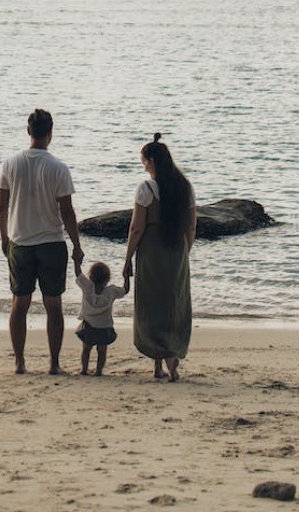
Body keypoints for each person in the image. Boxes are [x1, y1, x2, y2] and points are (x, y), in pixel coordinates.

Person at [0, 108, 84, 375]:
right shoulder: (58, 167)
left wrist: (4, 237)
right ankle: (54, 363)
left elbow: (2, 205)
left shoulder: (10, 163)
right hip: (51, 243)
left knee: (19, 304)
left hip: (20, 242)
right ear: (50, 134)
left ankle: (19, 361)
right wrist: (77, 245)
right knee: (53, 305)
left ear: (28, 131)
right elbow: (67, 212)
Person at [123, 133, 196, 380]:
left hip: (151, 250)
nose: (143, 166)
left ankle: (157, 366)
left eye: (144, 162)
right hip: (177, 248)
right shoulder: (185, 187)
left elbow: (136, 227)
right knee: (174, 303)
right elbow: (191, 227)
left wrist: (127, 258)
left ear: (152, 161)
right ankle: (173, 358)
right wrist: (185, 250)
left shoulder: (146, 189)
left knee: (151, 304)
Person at [73, 261, 130, 376]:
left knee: (86, 349)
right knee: (102, 351)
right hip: (105, 327)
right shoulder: (112, 291)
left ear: (91, 276)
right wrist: (126, 276)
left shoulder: (88, 287)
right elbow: (125, 290)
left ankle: (84, 369)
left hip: (88, 326)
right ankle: (99, 370)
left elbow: (78, 274)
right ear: (108, 278)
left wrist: (76, 261)